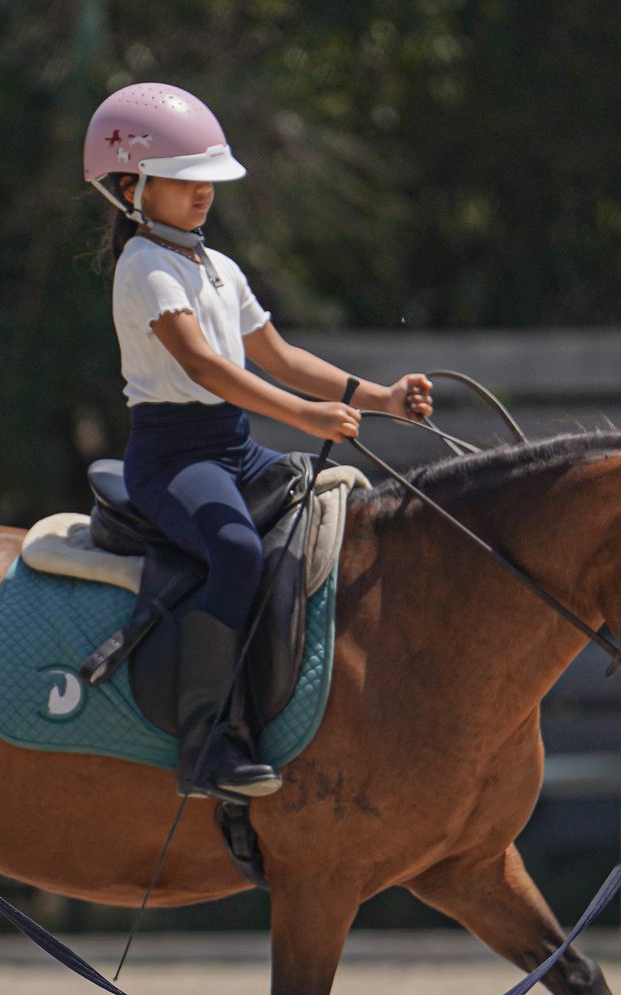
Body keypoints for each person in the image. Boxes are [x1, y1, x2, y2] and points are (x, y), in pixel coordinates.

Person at [84, 83, 434, 802]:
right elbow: (206, 367)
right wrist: (307, 419)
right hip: (174, 457)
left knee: (333, 517)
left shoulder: (218, 266)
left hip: (233, 448)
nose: (205, 193)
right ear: (131, 186)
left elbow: (277, 353)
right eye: (186, 180)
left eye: (209, 179)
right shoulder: (143, 268)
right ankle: (207, 738)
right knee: (236, 549)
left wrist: (380, 399)